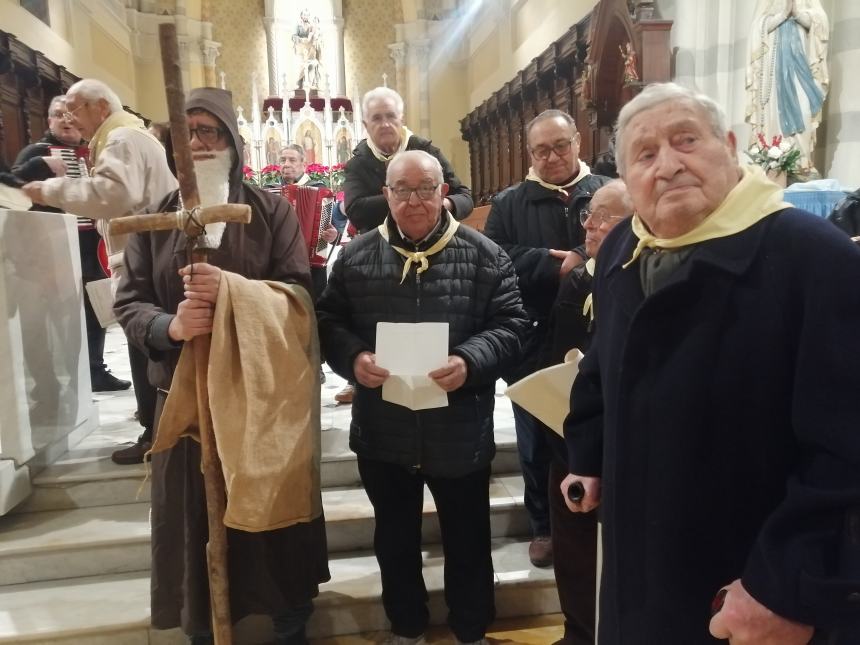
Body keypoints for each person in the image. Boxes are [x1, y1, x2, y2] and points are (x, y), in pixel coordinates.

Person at [562, 82, 860, 645]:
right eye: (645, 155)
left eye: (686, 141)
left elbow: (846, 451)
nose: (669, 165)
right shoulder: (624, 247)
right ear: (625, 180)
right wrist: (589, 452)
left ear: (728, 145)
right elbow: (604, 363)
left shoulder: (815, 257)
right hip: (641, 561)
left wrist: (785, 585)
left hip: (747, 583)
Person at [114, 87, 330, 645]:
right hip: (182, 399)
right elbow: (130, 301)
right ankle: (203, 624)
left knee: (271, 516)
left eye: (209, 131)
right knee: (193, 523)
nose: (197, 144)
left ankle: (287, 618)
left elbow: (300, 295)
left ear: (232, 141)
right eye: (185, 132)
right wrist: (173, 327)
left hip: (259, 394)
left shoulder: (270, 211)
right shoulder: (154, 220)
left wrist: (231, 291)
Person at [317, 150, 528, 645]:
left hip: (457, 428)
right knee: (394, 541)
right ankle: (407, 629)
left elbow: (513, 324)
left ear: (443, 192)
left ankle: (472, 630)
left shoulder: (483, 253)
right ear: (386, 195)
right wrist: (354, 359)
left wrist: (470, 361)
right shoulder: (355, 256)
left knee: (469, 540)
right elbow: (329, 322)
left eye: (426, 188)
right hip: (384, 430)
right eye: (402, 190)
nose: (415, 201)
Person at [20, 79, 177, 465]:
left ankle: (156, 434)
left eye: (77, 108)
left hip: (145, 258)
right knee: (148, 345)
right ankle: (156, 428)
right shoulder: (128, 135)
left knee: (146, 345)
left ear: (101, 107)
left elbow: (111, 196)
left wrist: (50, 190)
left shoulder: (122, 138)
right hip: (148, 253)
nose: (71, 117)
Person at [483, 109, 609, 574]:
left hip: (597, 339)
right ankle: (543, 524)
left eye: (561, 145)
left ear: (578, 141)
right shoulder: (512, 201)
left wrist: (582, 253)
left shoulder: (606, 191)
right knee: (535, 439)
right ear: (529, 153)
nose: (552, 156)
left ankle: (595, 518)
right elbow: (496, 257)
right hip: (535, 339)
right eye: (541, 150)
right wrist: (549, 264)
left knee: (594, 431)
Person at [531, 180, 631, 645]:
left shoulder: (638, 276)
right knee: (572, 553)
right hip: (567, 438)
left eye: (604, 216)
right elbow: (561, 350)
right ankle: (577, 632)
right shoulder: (579, 278)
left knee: (617, 561)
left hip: (619, 448)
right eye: (590, 214)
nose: (588, 224)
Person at [12, 95, 130, 393]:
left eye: (70, 114)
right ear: (48, 121)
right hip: (48, 248)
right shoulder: (34, 154)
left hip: (91, 243)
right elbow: (15, 196)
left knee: (95, 306)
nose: (65, 120)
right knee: (48, 317)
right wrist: (40, 170)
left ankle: (94, 370)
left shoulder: (96, 151)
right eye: (57, 115)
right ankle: (47, 381)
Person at [343, 86, 473, 235]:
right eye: (377, 118)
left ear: (401, 119)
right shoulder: (357, 164)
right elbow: (355, 211)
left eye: (391, 116)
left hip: (433, 242)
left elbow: (465, 198)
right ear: (366, 125)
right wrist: (409, 196)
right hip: (380, 247)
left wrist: (441, 202)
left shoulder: (427, 152)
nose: (385, 124)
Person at [745, 0, 829, 174]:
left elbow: (821, 25)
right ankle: (774, 160)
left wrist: (797, 14)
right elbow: (757, 28)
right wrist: (782, 16)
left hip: (801, 69)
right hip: (773, 73)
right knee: (774, 115)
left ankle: (801, 162)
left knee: (804, 109)